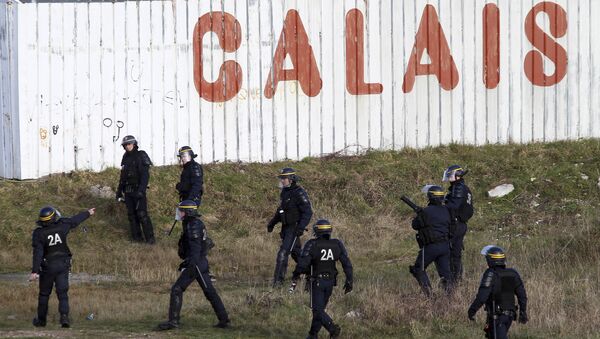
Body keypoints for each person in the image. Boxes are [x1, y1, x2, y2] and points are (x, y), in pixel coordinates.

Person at [157, 200, 229, 330]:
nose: (179, 213)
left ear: (187, 212)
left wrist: (189, 265)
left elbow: (195, 249)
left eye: (181, 211)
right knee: (210, 292)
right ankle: (224, 319)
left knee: (177, 289)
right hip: (200, 263)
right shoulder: (193, 223)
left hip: (196, 264)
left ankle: (173, 321)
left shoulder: (193, 226)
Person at [31, 206, 96, 328]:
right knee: (62, 293)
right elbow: (74, 220)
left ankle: (41, 320)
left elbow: (38, 253)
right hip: (63, 265)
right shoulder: (62, 226)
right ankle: (64, 317)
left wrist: (34, 271)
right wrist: (88, 213)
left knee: (44, 294)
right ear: (53, 217)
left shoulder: (39, 233)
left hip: (48, 267)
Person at [290, 219, 353, 339]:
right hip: (330, 283)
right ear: (329, 231)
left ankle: (332, 328)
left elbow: (303, 265)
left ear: (316, 231)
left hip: (317, 282)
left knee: (317, 310)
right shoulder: (337, 244)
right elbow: (347, 264)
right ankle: (312, 335)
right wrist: (349, 280)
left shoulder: (312, 244)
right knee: (319, 311)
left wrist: (296, 274)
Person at [468, 246, 528, 339]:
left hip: (497, 316)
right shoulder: (513, 273)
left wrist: (472, 310)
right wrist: (523, 312)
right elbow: (522, 295)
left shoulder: (491, 274)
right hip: (510, 316)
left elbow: (482, 297)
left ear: (490, 260)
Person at [266, 167, 313, 287]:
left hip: (294, 228)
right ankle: (311, 273)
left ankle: (277, 282)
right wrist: (272, 223)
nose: (282, 181)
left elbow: (308, 212)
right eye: (281, 178)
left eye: (284, 178)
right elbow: (281, 210)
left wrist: (301, 227)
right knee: (297, 254)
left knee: (283, 253)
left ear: (291, 179)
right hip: (286, 228)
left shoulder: (299, 192)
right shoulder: (284, 192)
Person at [408, 185, 453, 296]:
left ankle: (430, 296)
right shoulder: (447, 210)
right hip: (445, 246)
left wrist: (418, 215)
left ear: (430, 197)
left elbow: (415, 225)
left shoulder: (426, 212)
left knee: (418, 269)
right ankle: (450, 297)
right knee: (445, 274)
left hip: (431, 247)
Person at [116, 135, 155, 244]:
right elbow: (123, 176)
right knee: (132, 216)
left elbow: (145, 175)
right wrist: (119, 191)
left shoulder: (141, 155)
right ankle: (137, 238)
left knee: (142, 214)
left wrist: (141, 190)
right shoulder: (125, 157)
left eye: (129, 144)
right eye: (125, 145)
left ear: (134, 144)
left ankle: (150, 240)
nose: (127, 146)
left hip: (138, 190)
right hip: (128, 191)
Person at [443, 165, 474, 282]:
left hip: (456, 224)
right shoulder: (461, 187)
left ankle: (453, 280)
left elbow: (453, 206)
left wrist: (441, 207)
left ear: (457, 176)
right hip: (460, 224)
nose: (448, 176)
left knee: (451, 254)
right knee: (455, 254)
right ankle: (457, 279)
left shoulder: (458, 187)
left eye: (450, 174)